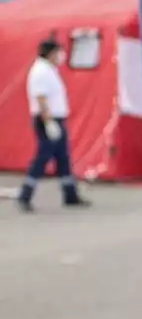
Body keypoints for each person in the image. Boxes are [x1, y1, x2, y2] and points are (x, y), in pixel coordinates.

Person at [17, 37, 90, 212]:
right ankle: (25, 194)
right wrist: (49, 122)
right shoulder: (40, 71)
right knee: (43, 157)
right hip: (47, 120)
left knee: (63, 158)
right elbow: (41, 98)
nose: (62, 56)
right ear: (51, 54)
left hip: (56, 119)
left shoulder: (50, 69)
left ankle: (70, 195)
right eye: (59, 52)